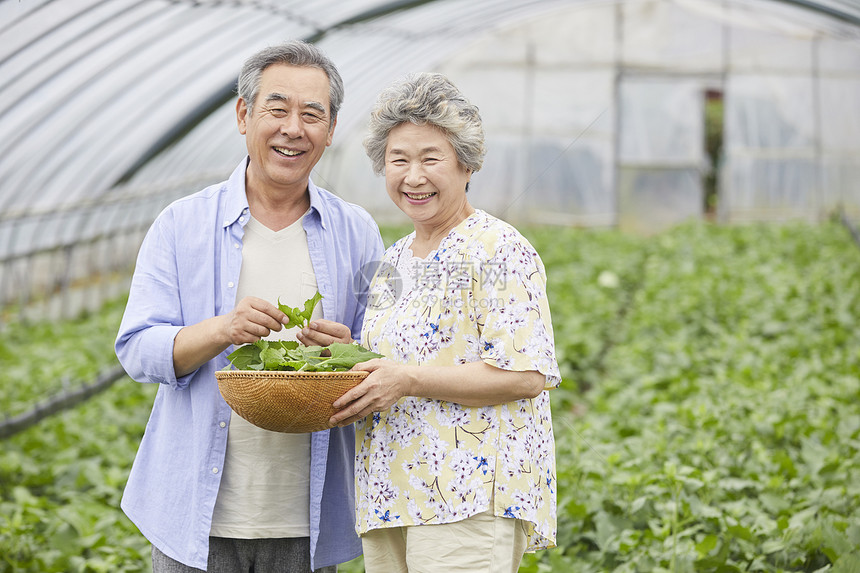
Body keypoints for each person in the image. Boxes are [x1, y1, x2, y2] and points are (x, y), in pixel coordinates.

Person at [115, 40, 383, 572]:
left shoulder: (359, 232)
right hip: (193, 519)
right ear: (244, 115)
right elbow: (137, 348)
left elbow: (389, 355)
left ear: (330, 131)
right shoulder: (180, 224)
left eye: (312, 115)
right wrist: (221, 329)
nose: (293, 128)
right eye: (277, 109)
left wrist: (351, 353)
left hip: (307, 522)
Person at [304, 72, 561, 572]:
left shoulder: (498, 248)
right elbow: (399, 360)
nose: (413, 177)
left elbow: (527, 375)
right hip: (391, 491)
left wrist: (409, 379)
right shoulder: (395, 258)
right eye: (398, 160)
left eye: (430, 159)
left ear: (466, 165)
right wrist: (348, 351)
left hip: (464, 497)